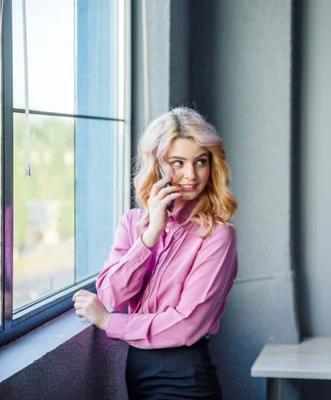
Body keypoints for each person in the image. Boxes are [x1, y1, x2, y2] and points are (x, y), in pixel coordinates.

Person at [72, 107, 238, 399]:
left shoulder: (217, 236)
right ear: (158, 166)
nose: (191, 175)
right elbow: (111, 295)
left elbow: (188, 323)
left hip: (183, 377)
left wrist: (111, 322)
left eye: (201, 162)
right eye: (178, 162)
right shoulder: (133, 223)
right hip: (137, 372)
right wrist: (150, 236)